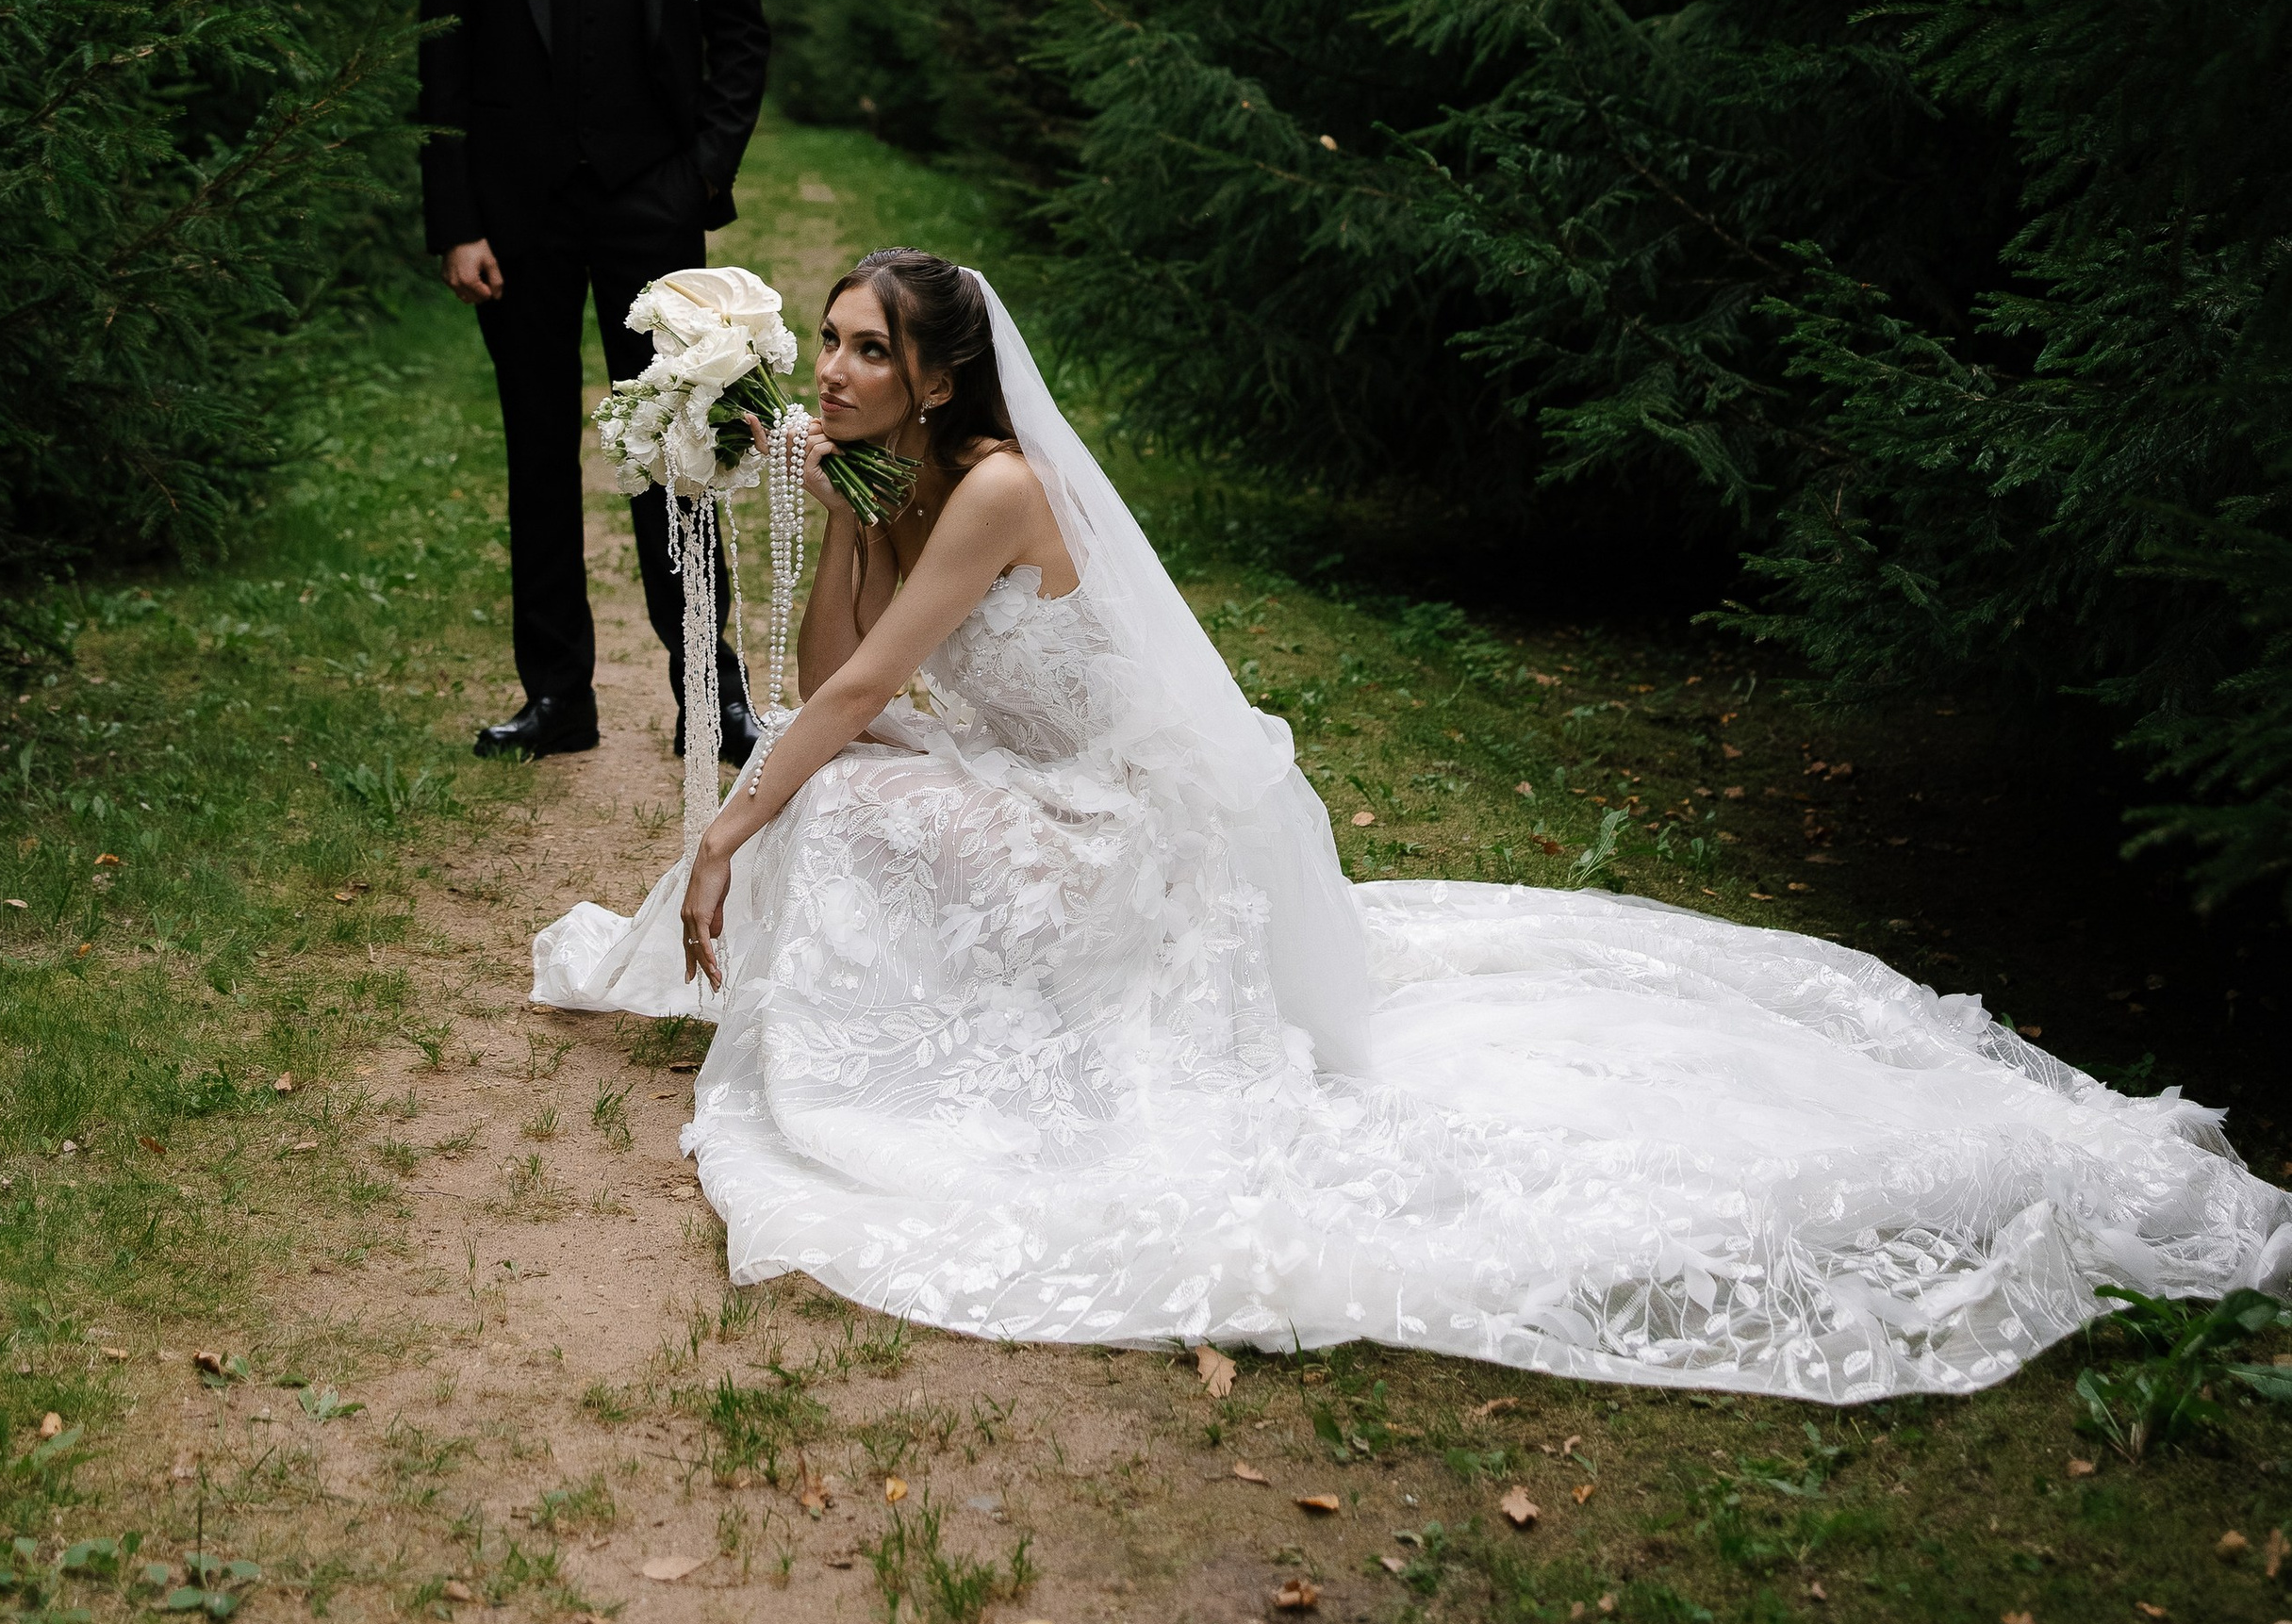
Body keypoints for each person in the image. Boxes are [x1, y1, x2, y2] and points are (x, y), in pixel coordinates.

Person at [532, 252, 2290, 1397]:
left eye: (864, 350)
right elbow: (848, 671)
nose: (833, 368)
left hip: (1129, 829)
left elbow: (837, 711)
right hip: (1038, 795)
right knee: (836, 805)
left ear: (939, 373)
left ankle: (909, 1065)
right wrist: (840, 510)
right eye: (826, 344)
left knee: (821, 814)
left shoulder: (996, 484)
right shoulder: (902, 478)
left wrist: (726, 824)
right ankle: (894, 1039)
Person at [419, 0, 769, 763]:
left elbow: (741, 40)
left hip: (651, 211)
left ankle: (710, 699)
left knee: (675, 454)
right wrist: (456, 219)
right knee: (537, 454)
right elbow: (443, 60)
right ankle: (558, 701)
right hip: (515, 220)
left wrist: (698, 180)